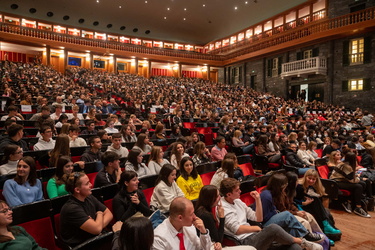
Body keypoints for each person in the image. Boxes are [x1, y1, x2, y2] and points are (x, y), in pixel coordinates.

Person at [219, 178, 316, 250]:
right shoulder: (224, 208)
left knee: (294, 248)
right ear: (228, 194)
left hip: (255, 235)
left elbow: (258, 218)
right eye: (237, 190)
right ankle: (301, 240)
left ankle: (299, 241)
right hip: (245, 241)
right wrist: (257, 229)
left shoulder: (238, 201)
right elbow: (237, 230)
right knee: (273, 228)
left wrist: (257, 200)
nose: (240, 191)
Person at [256, 173, 325, 242]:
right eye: (284, 185)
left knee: (306, 216)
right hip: (265, 223)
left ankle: (320, 237)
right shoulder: (266, 196)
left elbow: (289, 204)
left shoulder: (278, 192)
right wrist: (295, 213)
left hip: (277, 215)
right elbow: (264, 217)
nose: (285, 187)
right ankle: (307, 235)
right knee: (294, 218)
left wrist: (297, 211)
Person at [60, 172, 113, 246]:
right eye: (87, 184)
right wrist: (100, 213)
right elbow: (97, 229)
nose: (91, 185)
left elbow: (109, 214)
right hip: (81, 245)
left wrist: (98, 224)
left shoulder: (89, 197)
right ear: (77, 190)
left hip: (95, 239)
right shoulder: (71, 208)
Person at [195, 185, 254, 250]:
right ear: (211, 198)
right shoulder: (205, 215)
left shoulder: (203, 209)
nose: (220, 197)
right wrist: (222, 217)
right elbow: (219, 240)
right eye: (217, 196)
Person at [293, 170, 341, 240]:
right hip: (298, 207)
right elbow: (293, 200)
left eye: (313, 179)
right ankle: (325, 228)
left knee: (322, 210)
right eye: (309, 178)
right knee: (317, 204)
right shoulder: (299, 187)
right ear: (305, 177)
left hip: (306, 205)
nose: (311, 181)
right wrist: (303, 203)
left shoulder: (310, 187)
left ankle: (325, 231)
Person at [330, 152, 371, 218]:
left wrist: (358, 178)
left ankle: (355, 203)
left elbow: (350, 177)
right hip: (336, 182)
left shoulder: (344, 164)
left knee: (363, 183)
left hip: (342, 180)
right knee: (359, 186)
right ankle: (358, 207)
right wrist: (359, 179)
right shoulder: (346, 166)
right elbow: (352, 180)